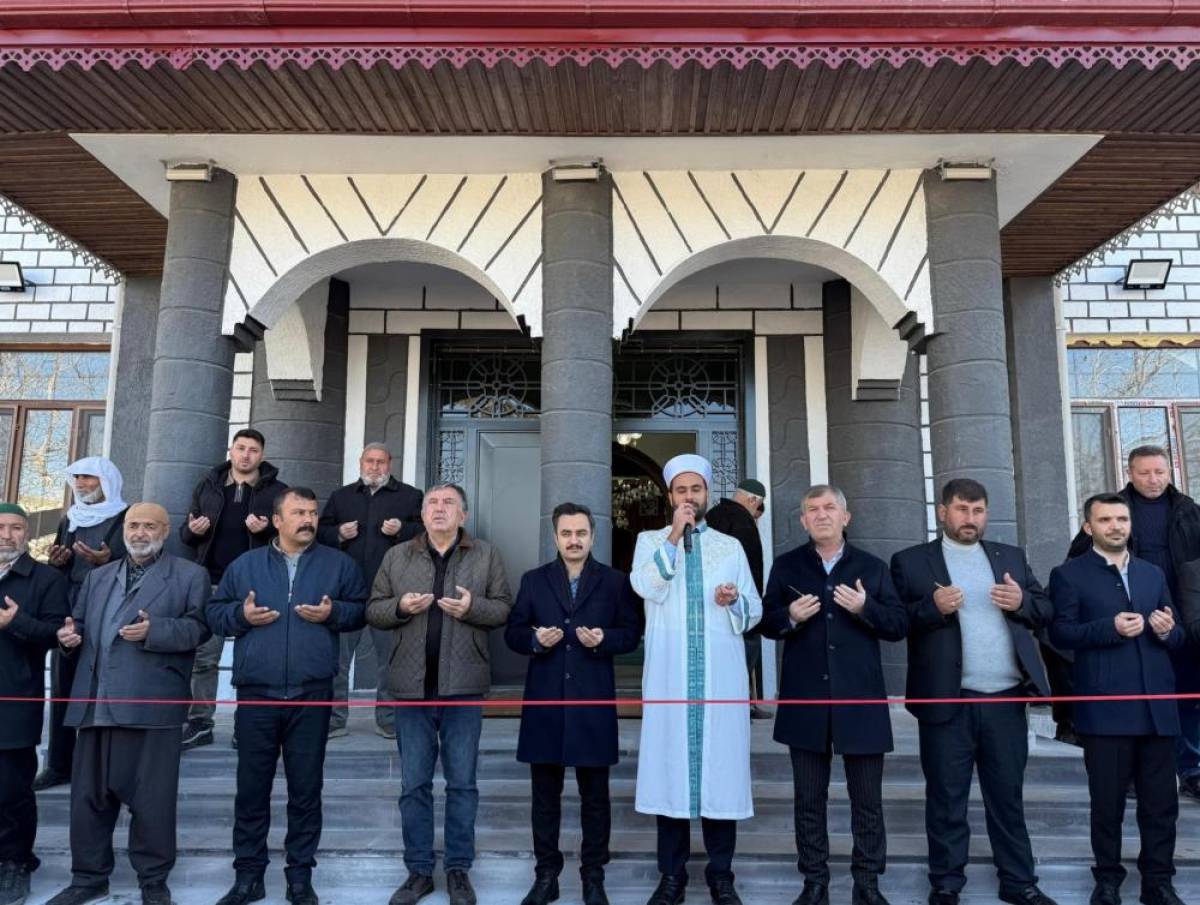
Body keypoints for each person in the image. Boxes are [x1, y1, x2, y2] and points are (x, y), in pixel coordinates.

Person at [890, 478, 1057, 905]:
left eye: (978, 510)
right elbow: (894, 623)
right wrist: (932, 608)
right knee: (946, 798)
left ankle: (1018, 881)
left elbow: (1045, 610)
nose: (970, 518)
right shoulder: (911, 562)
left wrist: (1021, 602)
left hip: (1006, 700)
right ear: (943, 512)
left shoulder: (1010, 556)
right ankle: (946, 884)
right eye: (962, 509)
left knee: (1007, 797)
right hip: (947, 701)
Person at [206, 488, 367, 905]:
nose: (308, 519)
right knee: (251, 790)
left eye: (312, 512)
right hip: (257, 694)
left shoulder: (339, 564)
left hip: (312, 693)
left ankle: (300, 877)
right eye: (298, 512)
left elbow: (360, 610)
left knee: (306, 790)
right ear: (277, 520)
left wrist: (334, 613)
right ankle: (248, 876)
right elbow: (215, 614)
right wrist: (241, 615)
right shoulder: (245, 565)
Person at [45, 503, 210, 905]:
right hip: (95, 702)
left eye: (149, 526)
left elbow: (199, 629)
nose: (139, 533)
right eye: (134, 525)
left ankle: (153, 880)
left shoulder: (190, 575)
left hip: (152, 704)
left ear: (165, 531)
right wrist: (68, 637)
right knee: (88, 799)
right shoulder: (98, 576)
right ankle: (88, 878)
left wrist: (156, 631)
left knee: (153, 801)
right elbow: (78, 624)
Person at [760, 485, 907, 905]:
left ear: (846, 517)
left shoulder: (872, 568)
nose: (821, 515)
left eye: (829, 508)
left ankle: (867, 884)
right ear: (803, 520)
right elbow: (766, 622)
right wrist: (789, 616)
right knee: (809, 800)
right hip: (805, 703)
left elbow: (898, 625)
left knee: (867, 802)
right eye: (812, 509)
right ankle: (814, 883)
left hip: (860, 703)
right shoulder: (787, 566)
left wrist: (865, 609)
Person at [367, 482, 513, 905]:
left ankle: (458, 870)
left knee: (462, 784)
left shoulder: (485, 555)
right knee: (414, 785)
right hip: (410, 691)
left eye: (449, 503)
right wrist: (400, 607)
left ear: (463, 515)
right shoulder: (398, 555)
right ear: (422, 513)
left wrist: (473, 608)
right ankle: (418, 872)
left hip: (463, 690)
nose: (439, 508)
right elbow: (373, 610)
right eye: (432, 502)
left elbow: (503, 608)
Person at [630, 453, 762, 905]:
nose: (689, 497)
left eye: (696, 489)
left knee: (721, 777)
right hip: (669, 679)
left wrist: (733, 600)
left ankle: (721, 876)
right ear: (670, 496)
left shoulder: (730, 546)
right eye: (681, 490)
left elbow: (754, 611)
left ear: (707, 494)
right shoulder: (649, 541)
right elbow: (647, 586)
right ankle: (672, 877)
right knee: (670, 776)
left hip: (720, 680)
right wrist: (674, 535)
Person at [1051, 492, 1188, 905]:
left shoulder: (1152, 574)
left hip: (1158, 709)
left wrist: (1167, 631)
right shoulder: (1068, 575)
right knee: (1107, 805)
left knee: (1161, 806)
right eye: (1106, 520)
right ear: (1088, 526)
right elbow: (1060, 635)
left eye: (1122, 519)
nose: (1116, 527)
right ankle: (1107, 881)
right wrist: (1108, 628)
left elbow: (1178, 635)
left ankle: (1158, 883)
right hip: (1105, 710)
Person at [504, 502, 642, 905]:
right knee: (544, 800)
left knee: (595, 799)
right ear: (555, 537)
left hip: (592, 703)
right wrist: (534, 640)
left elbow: (632, 632)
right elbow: (513, 631)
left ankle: (593, 877)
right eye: (566, 533)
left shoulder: (616, 582)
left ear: (593, 536)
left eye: (581, 533)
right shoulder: (534, 580)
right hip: (545, 703)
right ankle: (546, 876)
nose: (574, 540)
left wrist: (605, 640)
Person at [1068, 445, 1200, 801]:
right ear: (1130, 473)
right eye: (1144, 473)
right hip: (1128, 621)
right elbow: (1078, 564)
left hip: (1181, 620)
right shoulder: (1112, 511)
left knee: (1187, 694)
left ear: (1170, 471)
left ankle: (1191, 768)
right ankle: (1130, 773)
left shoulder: (1190, 511)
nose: (1153, 479)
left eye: (1159, 472)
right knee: (1135, 696)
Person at [180, 428, 287, 751]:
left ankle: (248, 724)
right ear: (231, 450)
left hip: (256, 584)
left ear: (262, 455)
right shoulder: (208, 485)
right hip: (211, 583)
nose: (246, 455)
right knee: (204, 658)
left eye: (253, 450)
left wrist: (267, 531)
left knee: (254, 660)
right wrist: (193, 530)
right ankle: (201, 723)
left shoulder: (278, 491)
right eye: (241, 448)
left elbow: (293, 537)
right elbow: (186, 535)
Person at [317, 442, 422, 740]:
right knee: (337, 662)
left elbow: (425, 533)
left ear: (390, 464)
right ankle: (335, 720)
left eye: (381, 461)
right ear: (360, 463)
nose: (375, 467)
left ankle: (387, 719)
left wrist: (402, 530)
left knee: (390, 662)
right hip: (346, 592)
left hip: (390, 593)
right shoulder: (341, 496)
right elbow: (319, 533)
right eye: (369, 461)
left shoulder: (411, 496)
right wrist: (338, 533)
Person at [36, 456, 128, 791]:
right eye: (77, 478)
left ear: (106, 481)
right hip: (71, 610)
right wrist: (56, 562)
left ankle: (103, 768)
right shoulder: (70, 518)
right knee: (63, 685)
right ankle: (59, 765)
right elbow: (63, 566)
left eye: (88, 478)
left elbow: (140, 563)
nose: (81, 484)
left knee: (106, 688)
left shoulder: (126, 517)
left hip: (110, 609)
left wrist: (108, 560)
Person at [0, 504, 69, 905]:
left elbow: (58, 634)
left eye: (15, 528)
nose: (7, 535)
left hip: (15, 701)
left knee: (11, 791)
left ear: (27, 534)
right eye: (0, 527)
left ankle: (15, 862)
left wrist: (16, 623)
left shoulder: (46, 579)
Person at [704, 478, 769, 718]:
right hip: (737, 605)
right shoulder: (743, 521)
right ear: (752, 500)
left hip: (710, 603)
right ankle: (740, 707)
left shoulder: (711, 515)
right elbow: (749, 570)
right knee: (743, 656)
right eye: (757, 506)